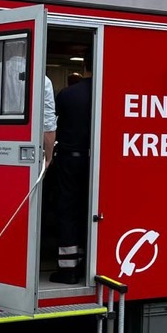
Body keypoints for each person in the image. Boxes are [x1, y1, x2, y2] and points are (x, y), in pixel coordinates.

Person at [50, 55, 93, 283]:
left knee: (67, 210)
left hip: (69, 159)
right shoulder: (106, 92)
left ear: (84, 66)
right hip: (96, 162)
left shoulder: (68, 94)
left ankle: (68, 270)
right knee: (91, 210)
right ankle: (89, 263)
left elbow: (52, 125)